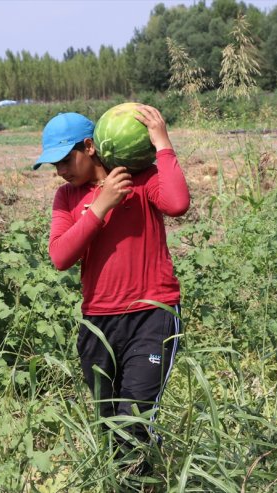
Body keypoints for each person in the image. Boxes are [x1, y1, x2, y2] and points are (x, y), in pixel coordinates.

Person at [34, 105, 190, 467]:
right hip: (98, 323)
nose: (60, 170)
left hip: (153, 316)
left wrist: (162, 142)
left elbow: (178, 204)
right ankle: (143, 477)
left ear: (89, 146)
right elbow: (60, 256)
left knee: (131, 422)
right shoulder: (68, 197)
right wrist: (100, 207)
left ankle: (139, 480)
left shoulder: (141, 179)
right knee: (108, 427)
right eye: (53, 164)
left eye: (65, 159)